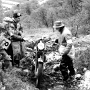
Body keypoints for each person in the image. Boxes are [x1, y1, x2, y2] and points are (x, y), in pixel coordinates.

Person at [53, 21, 75, 85]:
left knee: (62, 65)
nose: (56, 29)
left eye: (57, 28)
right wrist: (57, 41)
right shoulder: (62, 31)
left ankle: (66, 79)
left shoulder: (66, 32)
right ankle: (72, 75)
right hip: (66, 49)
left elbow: (70, 44)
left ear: (60, 27)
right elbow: (62, 38)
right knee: (69, 63)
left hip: (67, 50)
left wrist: (65, 52)